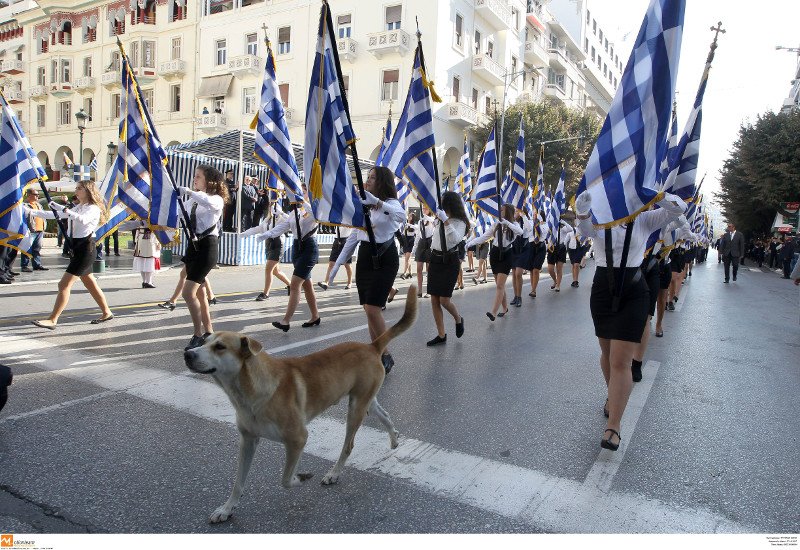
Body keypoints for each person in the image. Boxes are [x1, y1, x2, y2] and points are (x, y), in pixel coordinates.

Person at [575, 191, 686, 451]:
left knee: (620, 360)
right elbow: (585, 231)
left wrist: (654, 194)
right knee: (606, 353)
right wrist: (582, 212)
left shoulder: (644, 218)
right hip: (603, 288)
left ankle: (613, 426)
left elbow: (678, 209)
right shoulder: (601, 217)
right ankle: (613, 396)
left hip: (633, 290)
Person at [327, 167, 406, 373]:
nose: (368, 181)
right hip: (365, 256)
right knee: (369, 310)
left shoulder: (390, 204)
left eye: (372, 178)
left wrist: (378, 203)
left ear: (382, 182)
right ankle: (376, 355)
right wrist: (337, 264)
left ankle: (385, 353)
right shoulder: (364, 207)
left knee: (373, 308)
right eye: (367, 177)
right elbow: (354, 236)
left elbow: (402, 216)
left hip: (385, 257)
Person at [26, 181, 114, 329]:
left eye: (79, 188)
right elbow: (52, 214)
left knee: (63, 284)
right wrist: (29, 211)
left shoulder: (93, 208)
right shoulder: (79, 207)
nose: (76, 191)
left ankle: (53, 319)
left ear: (88, 191)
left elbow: (83, 220)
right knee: (90, 283)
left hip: (86, 249)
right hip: (77, 248)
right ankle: (107, 312)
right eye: (76, 188)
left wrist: (64, 209)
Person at [252, 188, 320, 332]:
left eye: (302, 192)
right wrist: (267, 234)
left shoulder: (314, 208)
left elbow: (317, 216)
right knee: (307, 285)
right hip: (297, 248)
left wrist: (302, 201)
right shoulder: (294, 212)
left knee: (295, 284)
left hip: (309, 248)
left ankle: (286, 321)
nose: (297, 195)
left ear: (308, 193)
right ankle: (315, 316)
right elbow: (283, 226)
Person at [180, 165, 228, 350]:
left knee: (187, 293)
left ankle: (197, 334)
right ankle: (208, 331)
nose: (195, 179)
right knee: (199, 293)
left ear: (209, 180)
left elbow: (208, 203)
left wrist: (190, 192)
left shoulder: (216, 199)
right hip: (193, 247)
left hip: (207, 247)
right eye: (194, 176)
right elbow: (178, 214)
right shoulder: (192, 201)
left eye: (198, 176)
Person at [425, 191, 468, 346]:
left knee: (444, 299)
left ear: (450, 203)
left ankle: (458, 318)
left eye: (443, 201)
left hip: (450, 260)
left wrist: (446, 221)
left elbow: (455, 239)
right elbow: (435, 239)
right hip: (436, 259)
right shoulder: (439, 219)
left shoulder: (460, 222)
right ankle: (441, 334)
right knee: (434, 298)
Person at [466, 204, 522, 321]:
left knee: (500, 285)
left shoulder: (514, 225)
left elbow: (520, 232)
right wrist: (470, 243)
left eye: (502, 210)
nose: (499, 211)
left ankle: (493, 312)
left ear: (508, 212)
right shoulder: (496, 224)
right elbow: (484, 237)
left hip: (506, 254)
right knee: (499, 286)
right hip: (495, 254)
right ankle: (505, 307)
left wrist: (506, 223)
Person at [241, 201, 291, 301]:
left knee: (268, 269)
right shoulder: (267, 219)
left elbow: (291, 221)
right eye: (271, 207)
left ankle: (265, 293)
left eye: (274, 207)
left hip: (277, 244)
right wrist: (246, 233)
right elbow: (259, 228)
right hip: (268, 244)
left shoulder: (282, 219)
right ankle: (291, 285)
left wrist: (281, 213)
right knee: (276, 271)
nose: (272, 209)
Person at [20, 189, 48, 273]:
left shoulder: (39, 205)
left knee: (37, 248)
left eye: (38, 194)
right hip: (30, 231)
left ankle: (37, 264)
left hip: (40, 230)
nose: (37, 196)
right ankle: (24, 265)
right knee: (27, 248)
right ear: (29, 195)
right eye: (35, 194)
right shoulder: (24, 205)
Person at [126, 220, 160, 288]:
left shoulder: (139, 217)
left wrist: (136, 240)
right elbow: (156, 230)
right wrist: (158, 242)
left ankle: (145, 281)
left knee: (143, 260)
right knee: (149, 261)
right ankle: (148, 282)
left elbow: (136, 230)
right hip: (150, 240)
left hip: (141, 239)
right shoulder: (152, 218)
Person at [318, 225, 353, 291]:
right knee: (331, 263)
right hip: (337, 239)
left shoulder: (349, 216)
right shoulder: (337, 216)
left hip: (346, 239)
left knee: (347, 265)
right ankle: (326, 282)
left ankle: (349, 283)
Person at [509, 210, 532, 307]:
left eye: (517, 212)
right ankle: (516, 296)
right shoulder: (513, 222)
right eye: (514, 212)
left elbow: (529, 228)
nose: (515, 213)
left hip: (523, 249)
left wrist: (523, 216)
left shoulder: (527, 221)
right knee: (514, 274)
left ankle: (519, 297)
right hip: (514, 249)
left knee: (518, 273)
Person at [411, 205, 434, 298]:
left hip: (430, 243)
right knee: (419, 268)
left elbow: (435, 224)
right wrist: (414, 248)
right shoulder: (421, 221)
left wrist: (428, 218)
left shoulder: (432, 220)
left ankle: (429, 290)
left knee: (429, 269)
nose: (424, 209)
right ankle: (420, 290)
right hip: (421, 243)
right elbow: (418, 235)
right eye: (423, 208)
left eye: (426, 208)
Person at [526, 208, 548, 298]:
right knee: (531, 270)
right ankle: (532, 288)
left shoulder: (545, 225)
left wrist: (538, 224)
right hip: (531, 246)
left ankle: (534, 290)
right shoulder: (531, 223)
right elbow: (528, 229)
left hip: (540, 247)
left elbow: (543, 233)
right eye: (534, 214)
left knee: (536, 269)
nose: (534, 216)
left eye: (535, 214)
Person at [547, 219, 574, 292]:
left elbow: (571, 229)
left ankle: (558, 285)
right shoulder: (550, 228)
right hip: (552, 248)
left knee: (559, 269)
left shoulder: (563, 228)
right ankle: (555, 281)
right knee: (550, 269)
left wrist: (563, 222)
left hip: (561, 249)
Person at [398, 212, 417, 279]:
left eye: (410, 216)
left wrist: (408, 224)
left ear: (413, 218)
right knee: (407, 259)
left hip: (410, 242)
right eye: (408, 216)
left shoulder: (414, 226)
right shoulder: (405, 224)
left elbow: (416, 229)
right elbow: (403, 233)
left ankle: (404, 273)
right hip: (405, 241)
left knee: (407, 259)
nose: (409, 217)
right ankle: (410, 273)